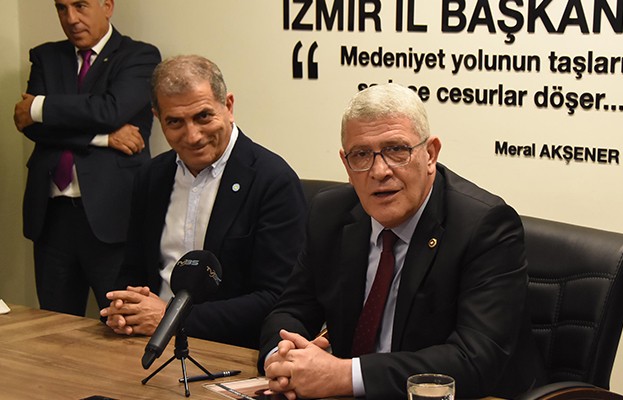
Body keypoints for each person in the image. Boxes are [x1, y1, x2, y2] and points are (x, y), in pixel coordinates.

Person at [259, 83, 546, 399]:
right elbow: (291, 310)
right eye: (361, 155)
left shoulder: (484, 226)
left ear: (430, 154)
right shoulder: (329, 214)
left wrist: (343, 375)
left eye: (396, 150)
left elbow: (473, 359)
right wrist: (282, 357)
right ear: (346, 164)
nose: (379, 171)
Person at [99, 55, 307, 349]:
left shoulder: (273, 180)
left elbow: (277, 298)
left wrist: (171, 319)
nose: (192, 136)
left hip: (227, 349)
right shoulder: (151, 176)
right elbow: (133, 270)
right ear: (158, 118)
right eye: (175, 122)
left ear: (229, 107)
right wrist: (125, 307)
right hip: (142, 343)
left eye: (203, 116)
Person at [13, 0, 161, 316]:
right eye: (62, 8)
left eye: (80, 6)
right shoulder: (46, 57)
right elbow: (31, 127)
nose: (71, 18)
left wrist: (40, 106)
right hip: (52, 217)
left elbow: (111, 110)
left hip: (112, 216)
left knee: (121, 321)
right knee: (54, 325)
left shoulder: (140, 56)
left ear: (107, 6)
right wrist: (103, 138)